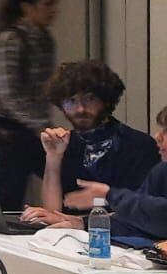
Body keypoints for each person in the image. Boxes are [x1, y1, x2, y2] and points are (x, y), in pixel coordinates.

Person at [26, 105, 167, 244]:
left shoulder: (137, 146)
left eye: (166, 131)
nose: (158, 137)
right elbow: (138, 221)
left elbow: (161, 216)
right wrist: (81, 223)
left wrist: (110, 195)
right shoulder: (161, 171)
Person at [38, 60, 159, 215]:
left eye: (90, 99)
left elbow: (145, 214)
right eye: (71, 100)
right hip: (68, 235)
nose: (80, 109)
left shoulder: (138, 145)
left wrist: (83, 222)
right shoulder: (64, 143)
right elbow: (52, 213)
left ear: (106, 100)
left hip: (118, 236)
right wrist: (53, 158)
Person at [0, 0, 59, 209]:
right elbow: (6, 94)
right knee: (9, 199)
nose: (53, 10)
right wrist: (38, 123)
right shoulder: (10, 39)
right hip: (12, 133)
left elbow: (46, 88)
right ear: (27, 7)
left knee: (64, 181)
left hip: (38, 129)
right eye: (47, 4)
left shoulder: (45, 39)